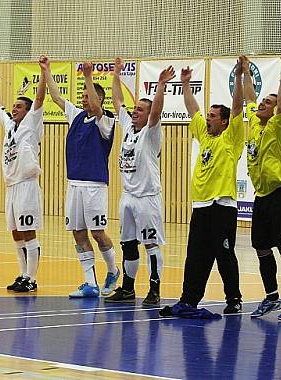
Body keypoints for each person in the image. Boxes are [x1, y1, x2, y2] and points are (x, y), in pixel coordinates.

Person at [166, 57, 247, 315]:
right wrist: (186, 84)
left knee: (224, 254)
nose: (208, 119)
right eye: (209, 115)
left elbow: (236, 108)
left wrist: (238, 77)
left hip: (222, 206)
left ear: (224, 122)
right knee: (195, 256)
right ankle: (189, 299)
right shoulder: (204, 136)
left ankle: (233, 298)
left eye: (213, 116)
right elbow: (193, 110)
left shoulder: (231, 139)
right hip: (200, 206)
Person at [42, 57, 119, 298]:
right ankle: (90, 283)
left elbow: (96, 108)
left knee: (97, 232)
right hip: (74, 183)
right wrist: (46, 71)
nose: (84, 100)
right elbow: (56, 98)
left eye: (88, 96)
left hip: (94, 184)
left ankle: (113, 270)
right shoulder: (76, 115)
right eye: (83, 96)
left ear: (99, 99)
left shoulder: (105, 120)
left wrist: (88, 76)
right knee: (77, 232)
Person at [242, 56, 281, 320]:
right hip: (262, 197)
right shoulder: (255, 125)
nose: (261, 104)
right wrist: (245, 71)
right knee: (261, 248)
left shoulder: (279, 125)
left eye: (267, 102)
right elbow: (248, 98)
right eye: (263, 102)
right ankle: (271, 298)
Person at [104, 58, 173, 305]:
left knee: (150, 244)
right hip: (128, 197)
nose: (135, 112)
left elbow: (156, 111)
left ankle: (154, 289)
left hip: (147, 198)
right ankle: (128, 288)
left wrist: (161, 86)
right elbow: (117, 101)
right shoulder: (128, 126)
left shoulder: (151, 132)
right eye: (135, 110)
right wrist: (115, 75)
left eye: (140, 110)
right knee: (128, 244)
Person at [0, 58, 47, 293]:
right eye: (14, 107)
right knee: (16, 233)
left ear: (28, 111)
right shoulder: (10, 125)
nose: (14, 109)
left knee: (28, 231)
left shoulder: (32, 123)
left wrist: (44, 72)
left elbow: (41, 98)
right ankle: (23, 274)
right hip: (11, 186)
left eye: (19, 107)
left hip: (26, 184)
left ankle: (32, 278)